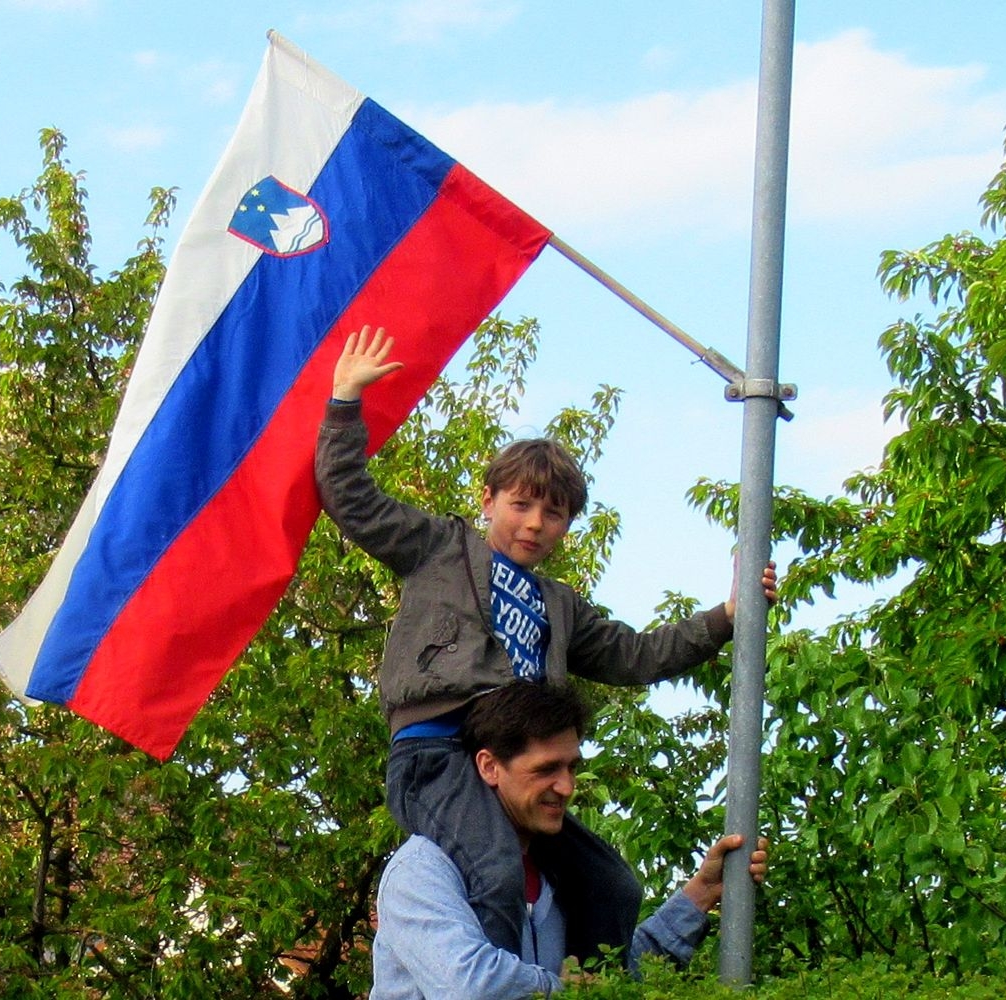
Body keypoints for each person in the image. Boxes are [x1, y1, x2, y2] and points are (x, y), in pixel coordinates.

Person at [315, 326, 778, 965]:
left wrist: (726, 616)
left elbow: (637, 656)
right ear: (489, 500)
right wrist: (344, 402)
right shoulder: (440, 549)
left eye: (553, 514)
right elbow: (351, 499)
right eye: (521, 504)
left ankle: (594, 983)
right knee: (496, 869)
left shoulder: (557, 606)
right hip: (439, 758)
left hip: (518, 763)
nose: (535, 523)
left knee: (611, 884)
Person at [370, 682, 769, 999]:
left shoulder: (561, 875)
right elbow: (468, 986)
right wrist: (564, 991)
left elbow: (616, 975)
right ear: (490, 766)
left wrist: (701, 894)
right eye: (545, 769)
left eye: (571, 767)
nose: (566, 786)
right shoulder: (422, 869)